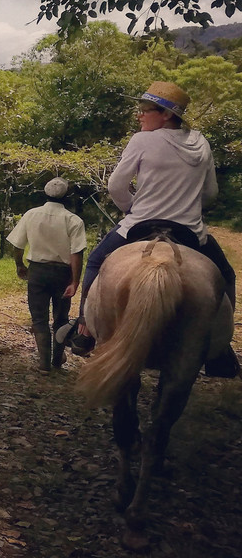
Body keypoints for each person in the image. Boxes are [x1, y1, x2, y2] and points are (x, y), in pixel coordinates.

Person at [74, 81, 237, 375]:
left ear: (165, 115)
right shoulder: (200, 142)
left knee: (97, 261)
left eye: (144, 110)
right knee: (226, 275)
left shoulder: (142, 141)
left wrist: (131, 208)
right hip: (190, 230)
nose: (139, 116)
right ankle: (219, 348)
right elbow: (210, 193)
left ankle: (84, 329)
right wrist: (185, 205)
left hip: (140, 224)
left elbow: (116, 186)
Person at [7, 177, 86, 372]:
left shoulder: (31, 214)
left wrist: (20, 265)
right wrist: (75, 281)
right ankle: (57, 360)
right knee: (61, 318)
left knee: (39, 318)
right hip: (62, 273)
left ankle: (43, 364)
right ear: (67, 197)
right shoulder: (73, 220)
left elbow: (17, 245)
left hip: (38, 271)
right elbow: (77, 253)